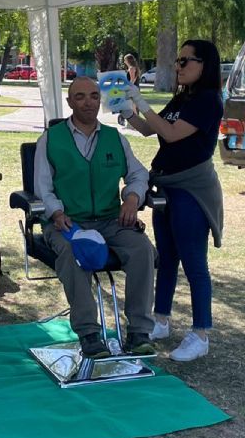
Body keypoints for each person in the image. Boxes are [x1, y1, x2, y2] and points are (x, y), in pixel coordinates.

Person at [34, 76, 157, 358]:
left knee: (141, 249)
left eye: (93, 95)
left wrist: (133, 198)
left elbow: (138, 174)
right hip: (68, 222)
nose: (88, 102)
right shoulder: (51, 139)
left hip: (110, 219)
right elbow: (43, 186)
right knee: (72, 253)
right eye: (80, 97)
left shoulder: (115, 137)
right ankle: (89, 334)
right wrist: (56, 212)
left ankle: (139, 332)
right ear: (69, 102)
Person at [123, 39, 224, 362]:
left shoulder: (208, 100)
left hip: (191, 190)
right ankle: (162, 319)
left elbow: (171, 134)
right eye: (177, 60)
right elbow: (147, 129)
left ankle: (200, 333)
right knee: (166, 258)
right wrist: (127, 109)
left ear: (204, 65)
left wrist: (142, 101)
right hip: (166, 187)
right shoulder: (184, 97)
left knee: (195, 263)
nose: (178, 66)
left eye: (185, 61)